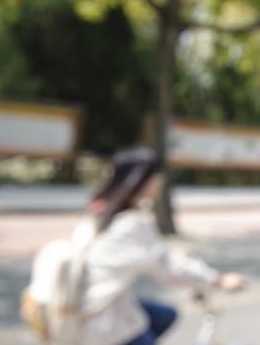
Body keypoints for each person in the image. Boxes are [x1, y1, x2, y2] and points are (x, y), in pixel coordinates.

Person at [74, 147, 244, 345]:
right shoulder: (132, 222)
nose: (160, 182)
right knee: (152, 322)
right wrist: (218, 280)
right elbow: (170, 269)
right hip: (104, 322)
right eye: (157, 176)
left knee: (165, 316)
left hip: (85, 308)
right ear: (144, 179)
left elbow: (141, 254)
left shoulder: (99, 212)